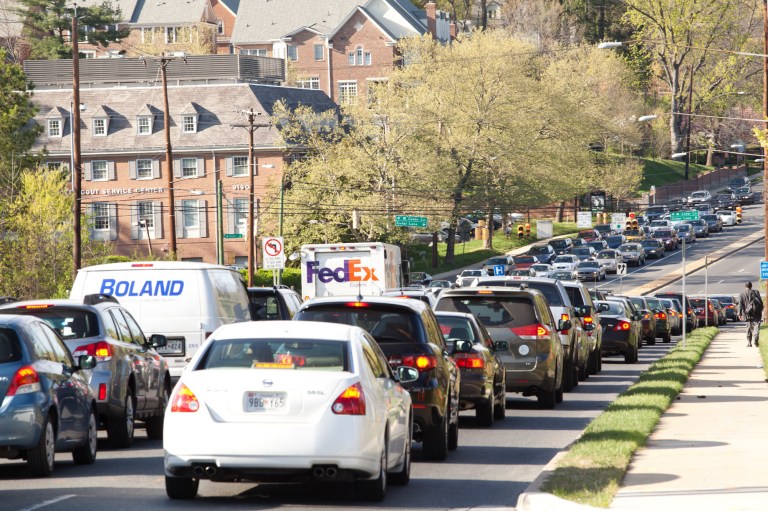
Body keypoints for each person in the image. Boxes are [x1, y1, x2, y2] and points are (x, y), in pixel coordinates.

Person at [738, 282, 764, 347]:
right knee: (756, 325)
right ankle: (756, 336)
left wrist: (740, 313)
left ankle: (749, 342)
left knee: (748, 327)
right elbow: (760, 302)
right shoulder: (756, 292)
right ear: (751, 286)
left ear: (745, 286)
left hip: (747, 313)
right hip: (756, 312)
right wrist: (761, 310)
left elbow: (740, 305)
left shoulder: (742, 294)